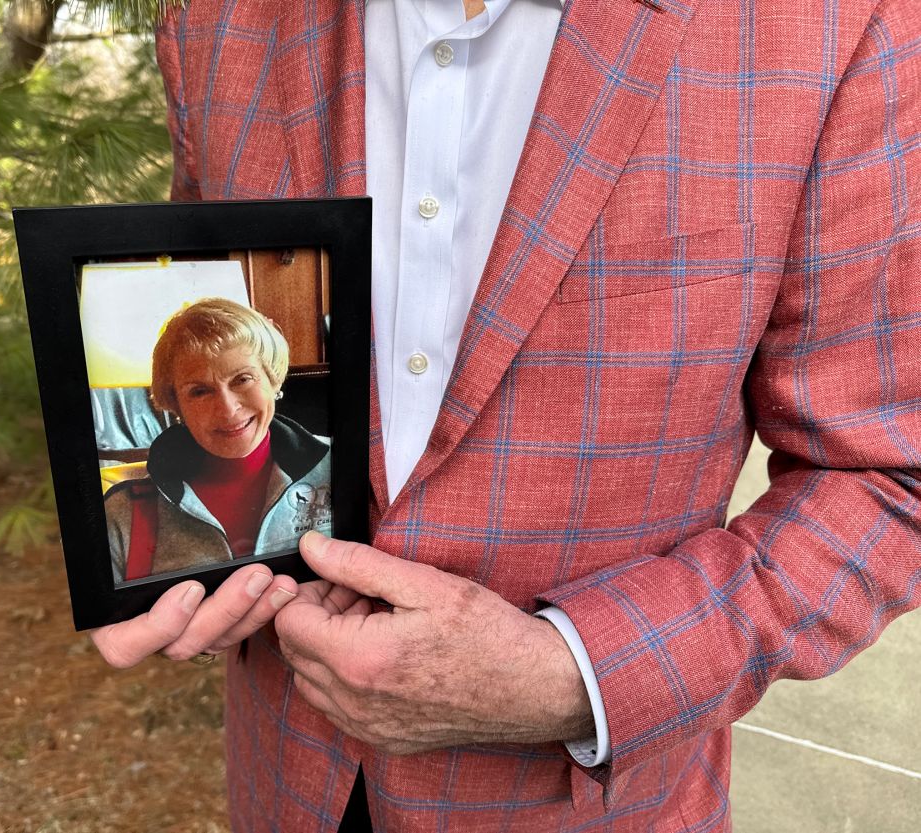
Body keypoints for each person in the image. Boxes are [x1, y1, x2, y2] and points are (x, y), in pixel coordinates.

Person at [91, 0, 921, 830]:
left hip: (589, 808)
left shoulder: (838, 27)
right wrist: (182, 586)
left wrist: (575, 672)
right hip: (286, 781)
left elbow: (887, 476)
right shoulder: (217, 19)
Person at [104, 298, 331, 583]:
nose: (227, 409)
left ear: (272, 379)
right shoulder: (122, 513)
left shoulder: (346, 467)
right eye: (200, 391)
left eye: (242, 379)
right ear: (177, 406)